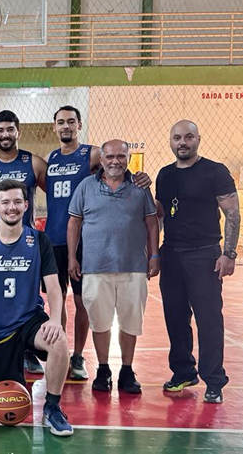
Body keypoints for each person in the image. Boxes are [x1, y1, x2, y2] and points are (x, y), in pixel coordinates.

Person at [0, 180, 74, 437]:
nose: (11, 208)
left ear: (26, 205)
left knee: (58, 342)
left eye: (17, 202)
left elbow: (54, 288)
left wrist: (55, 320)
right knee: (8, 403)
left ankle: (52, 407)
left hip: (29, 319)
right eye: (5, 202)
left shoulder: (38, 240)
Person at [154, 120, 240, 404]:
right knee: (175, 318)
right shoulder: (165, 175)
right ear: (170, 141)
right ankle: (183, 372)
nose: (183, 142)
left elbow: (233, 214)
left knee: (209, 320)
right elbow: (161, 217)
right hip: (172, 255)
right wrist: (154, 253)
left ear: (198, 139)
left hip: (205, 255)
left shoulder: (215, 172)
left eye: (188, 137)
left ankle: (214, 381)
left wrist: (228, 253)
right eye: (177, 137)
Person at [66, 140, 159, 394]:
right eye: (109, 156)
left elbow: (151, 223)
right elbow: (74, 223)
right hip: (95, 267)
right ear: (101, 159)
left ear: (129, 158)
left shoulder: (140, 187)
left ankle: (127, 371)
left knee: (130, 322)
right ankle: (103, 369)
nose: (115, 161)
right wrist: (72, 258)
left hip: (134, 267)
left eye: (121, 156)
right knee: (100, 322)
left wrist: (154, 255)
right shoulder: (86, 186)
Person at [0, 110, 48, 373]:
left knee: (28, 297)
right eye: (0, 130)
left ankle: (29, 349)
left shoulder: (34, 163)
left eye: (10, 129)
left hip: (24, 243)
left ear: (18, 131)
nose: (5, 134)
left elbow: (61, 190)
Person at [44, 105, 98, 381]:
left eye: (70, 122)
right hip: (53, 237)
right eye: (60, 122)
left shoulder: (92, 154)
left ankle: (78, 355)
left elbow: (116, 167)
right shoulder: (51, 158)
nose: (65, 126)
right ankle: (62, 350)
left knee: (81, 300)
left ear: (79, 125)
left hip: (82, 240)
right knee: (57, 300)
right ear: (55, 127)